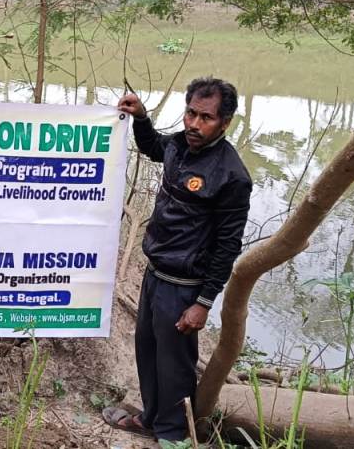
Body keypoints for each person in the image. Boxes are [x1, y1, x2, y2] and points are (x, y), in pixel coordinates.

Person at [105, 77, 252, 441]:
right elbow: (155, 147)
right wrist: (141, 118)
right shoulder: (181, 144)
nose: (194, 124)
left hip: (184, 286)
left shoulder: (231, 176)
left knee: (174, 366)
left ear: (225, 123)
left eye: (205, 118)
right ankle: (151, 419)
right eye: (190, 113)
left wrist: (203, 303)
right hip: (156, 272)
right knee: (149, 352)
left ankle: (173, 436)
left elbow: (227, 246)